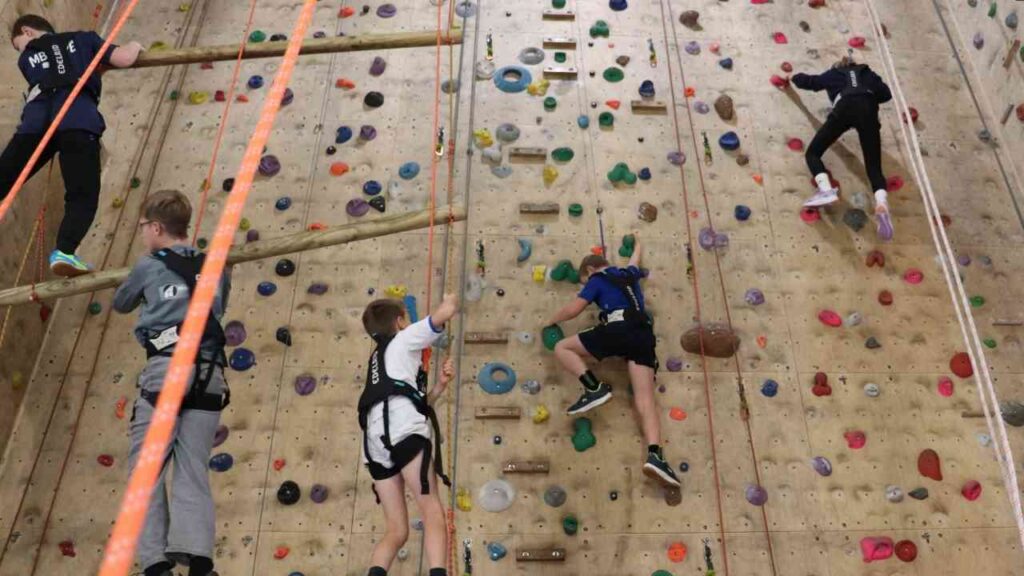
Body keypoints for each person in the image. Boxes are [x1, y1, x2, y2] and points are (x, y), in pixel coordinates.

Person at [112, 190, 231, 576]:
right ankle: (199, 560)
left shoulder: (148, 265)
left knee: (146, 469)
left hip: (168, 369)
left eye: (144, 227)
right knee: (193, 465)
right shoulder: (216, 264)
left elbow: (122, 302)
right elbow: (218, 307)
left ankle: (156, 564)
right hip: (210, 372)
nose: (143, 233)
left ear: (157, 227)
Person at [5, 14, 144, 276]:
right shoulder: (85, 39)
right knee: (82, 195)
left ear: (28, 31)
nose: (20, 49)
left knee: (5, 177)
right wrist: (136, 45)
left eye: (18, 43)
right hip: (77, 120)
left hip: (36, 124)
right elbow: (124, 59)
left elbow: (54, 70)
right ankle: (65, 252)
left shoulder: (27, 57)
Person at [546, 234, 680, 490]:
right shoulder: (628, 273)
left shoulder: (597, 279)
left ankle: (594, 387)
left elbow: (574, 309)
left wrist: (551, 321)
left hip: (618, 327)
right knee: (645, 399)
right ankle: (656, 455)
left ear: (588, 269)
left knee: (563, 347)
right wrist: (639, 241)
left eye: (583, 280)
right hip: (644, 335)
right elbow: (635, 259)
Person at [359, 294, 459, 576]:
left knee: (397, 531)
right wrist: (451, 298)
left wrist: (439, 386)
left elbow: (417, 404)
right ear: (400, 321)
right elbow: (444, 313)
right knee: (432, 511)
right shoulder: (403, 339)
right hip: (403, 431)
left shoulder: (378, 361)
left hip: (375, 443)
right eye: (408, 318)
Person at [792, 55, 895, 241]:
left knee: (813, 153)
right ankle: (881, 203)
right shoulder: (868, 73)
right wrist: (868, 94)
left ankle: (825, 190)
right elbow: (886, 94)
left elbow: (811, 82)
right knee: (873, 168)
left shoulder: (835, 73)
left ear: (839, 65)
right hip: (868, 108)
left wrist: (793, 77)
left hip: (845, 107)